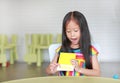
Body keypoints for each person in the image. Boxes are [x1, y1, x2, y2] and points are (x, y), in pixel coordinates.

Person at [46, 11, 100, 76]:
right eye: (68, 31)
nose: (72, 35)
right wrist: (52, 70)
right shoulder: (61, 50)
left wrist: (80, 69)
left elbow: (97, 73)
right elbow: (48, 71)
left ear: (83, 30)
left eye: (76, 30)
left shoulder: (91, 50)